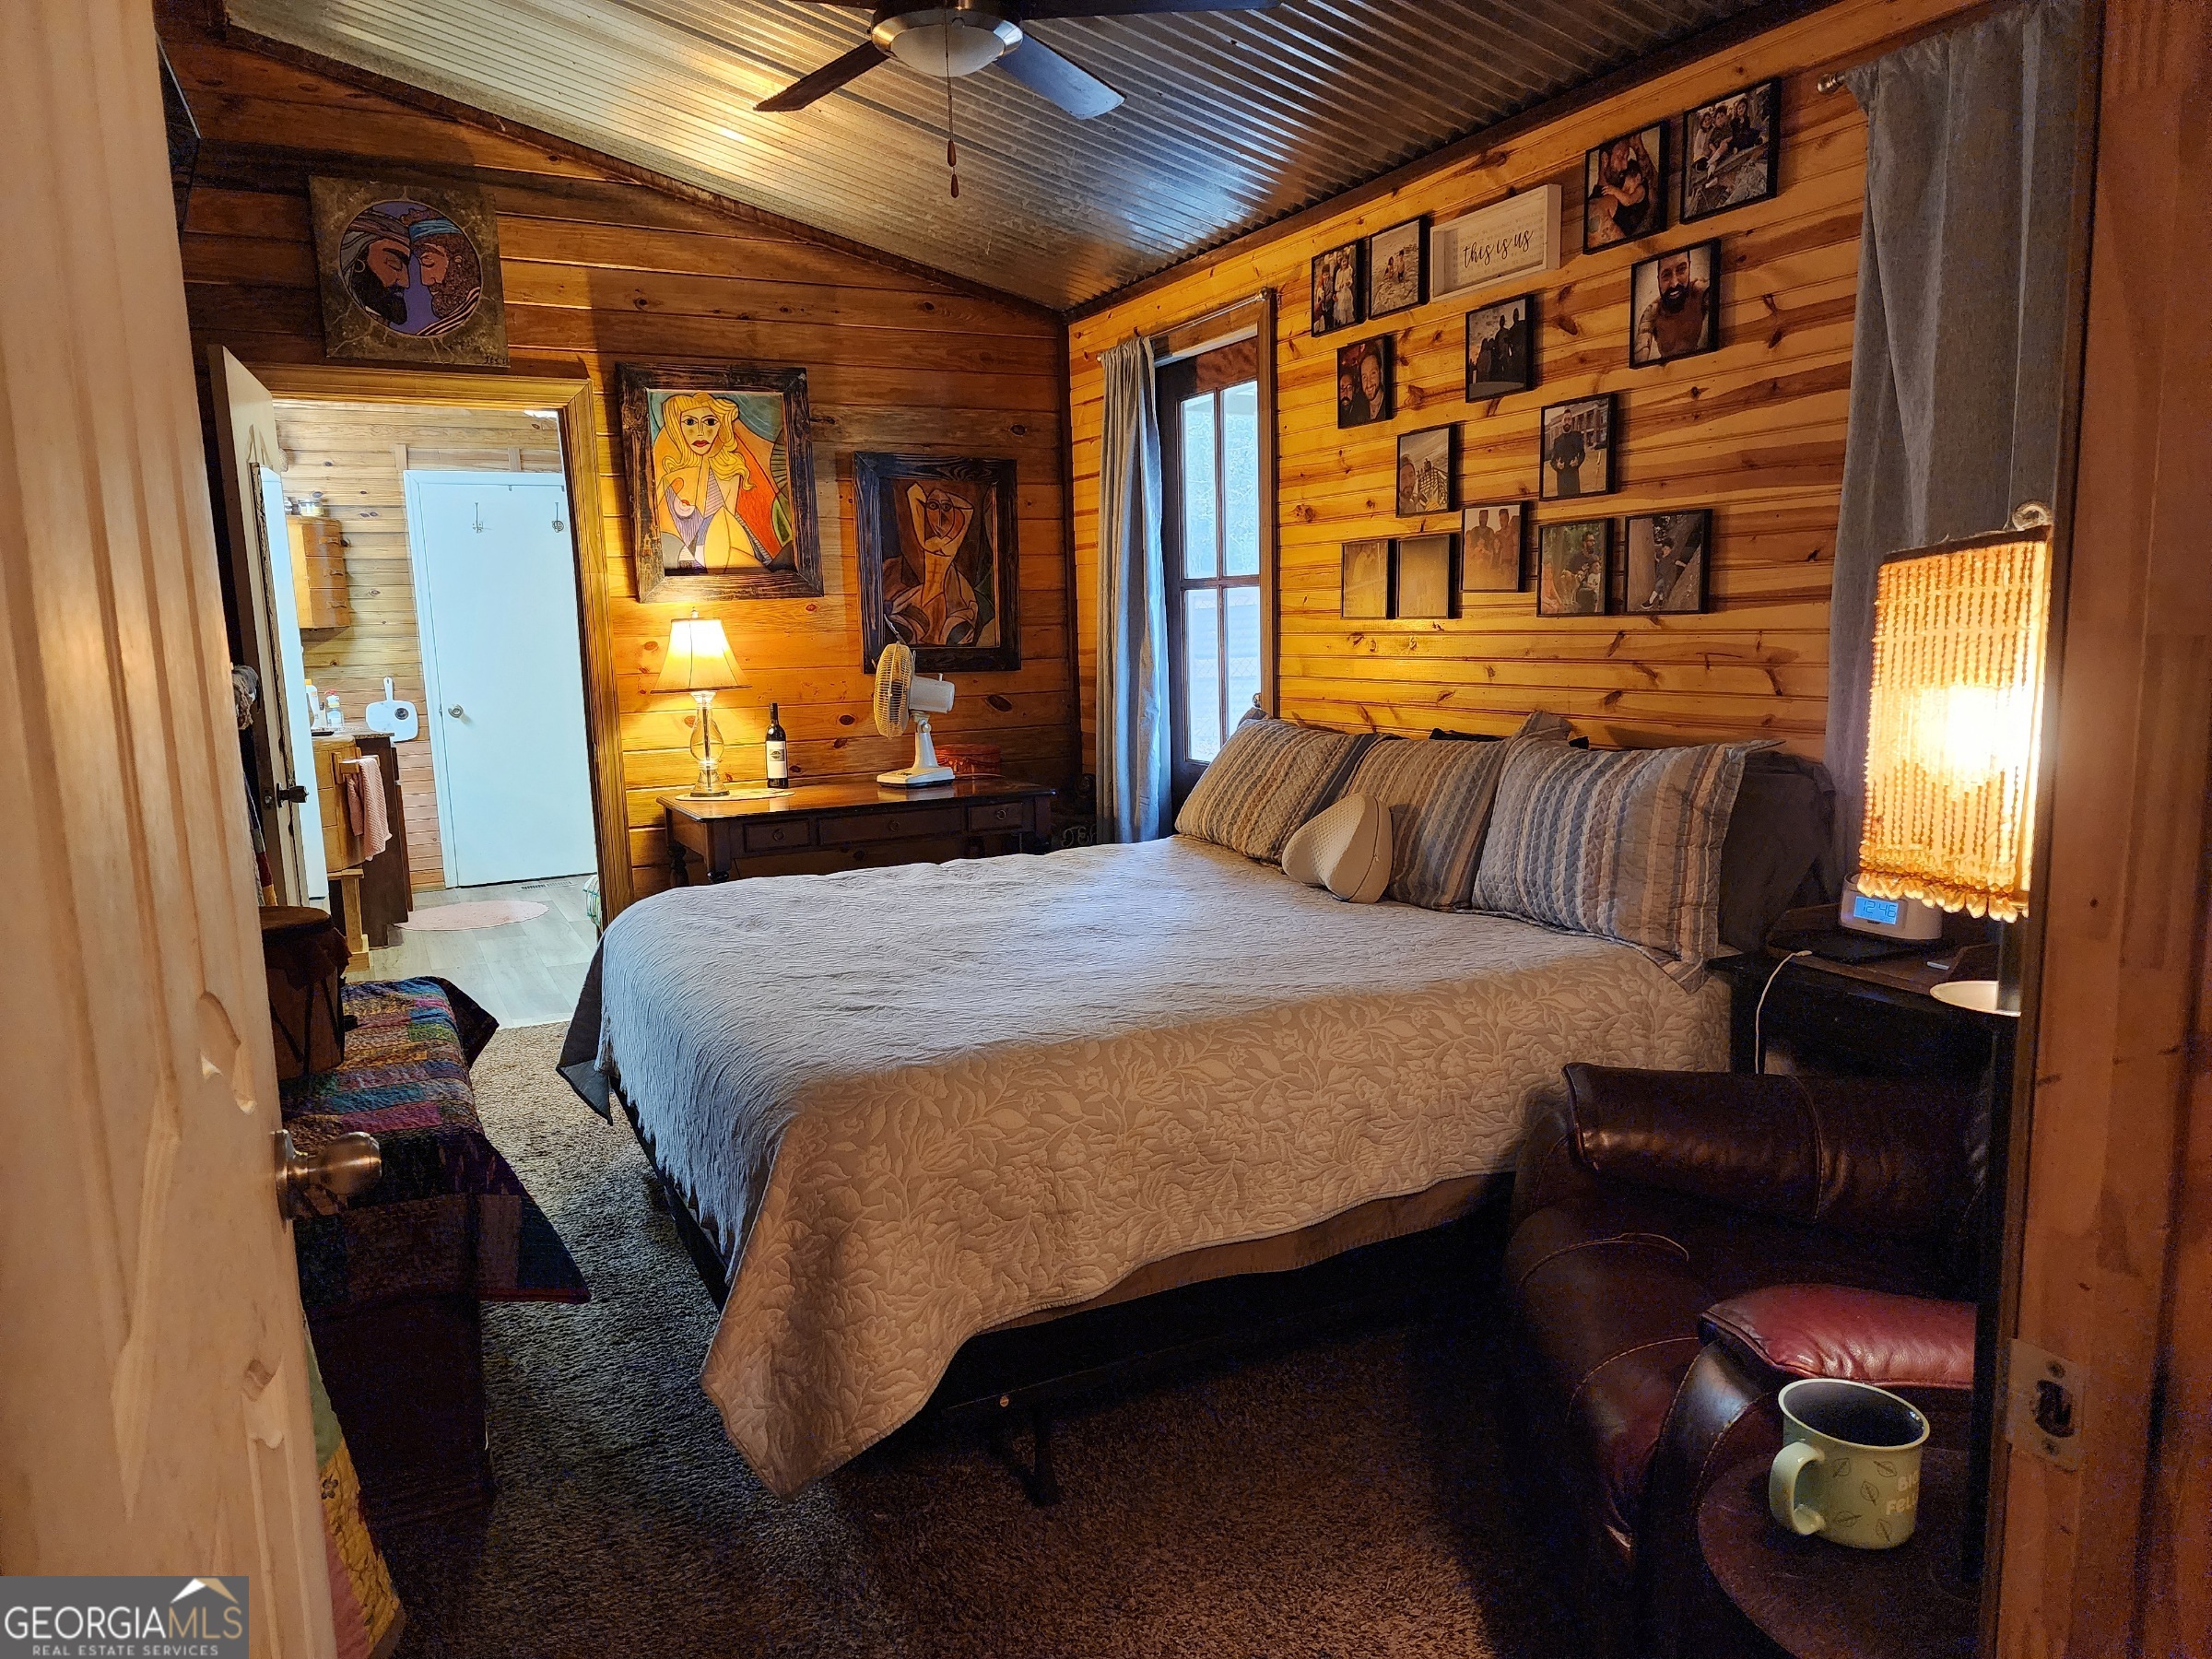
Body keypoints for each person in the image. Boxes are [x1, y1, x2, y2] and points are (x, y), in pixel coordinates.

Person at [1635, 247, 1714, 363]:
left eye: (1681, 270)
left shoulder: (1699, 293)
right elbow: (1639, 360)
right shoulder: (1653, 312)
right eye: (1666, 275)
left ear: (1689, 267)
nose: (1674, 283)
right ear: (1658, 279)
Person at [1589, 134, 1657, 246]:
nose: (1625, 165)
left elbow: (1653, 183)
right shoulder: (1597, 206)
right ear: (1605, 159)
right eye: (1621, 157)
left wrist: (1637, 146)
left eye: (1627, 158)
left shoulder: (1628, 178)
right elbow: (1628, 250)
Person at [1547, 418, 1587, 498]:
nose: (1567, 422)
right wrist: (1557, 465)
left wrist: (1578, 462)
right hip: (1562, 479)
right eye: (1565, 420)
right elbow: (1552, 461)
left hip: (1573, 477)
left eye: (1569, 419)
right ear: (1562, 422)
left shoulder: (1577, 436)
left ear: (1571, 421)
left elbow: (1582, 453)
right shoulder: (1557, 441)